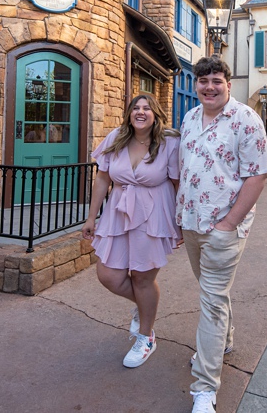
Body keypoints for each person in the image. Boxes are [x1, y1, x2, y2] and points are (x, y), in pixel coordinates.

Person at [175, 56, 267, 413]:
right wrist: (178, 218)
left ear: (228, 84)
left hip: (224, 228)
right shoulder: (188, 118)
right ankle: (225, 341)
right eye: (203, 81)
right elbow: (184, 171)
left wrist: (228, 225)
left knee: (212, 301)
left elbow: (258, 175)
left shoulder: (246, 119)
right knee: (211, 292)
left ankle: (204, 387)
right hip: (191, 223)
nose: (209, 87)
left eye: (216, 80)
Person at [80, 94, 180, 369]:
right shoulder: (116, 137)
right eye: (136, 108)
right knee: (109, 275)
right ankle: (145, 307)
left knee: (142, 278)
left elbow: (176, 183)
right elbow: (102, 179)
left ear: (156, 114)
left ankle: (146, 337)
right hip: (118, 212)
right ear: (129, 113)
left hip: (154, 213)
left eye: (147, 108)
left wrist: (179, 223)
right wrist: (91, 218)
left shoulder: (169, 142)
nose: (140, 112)